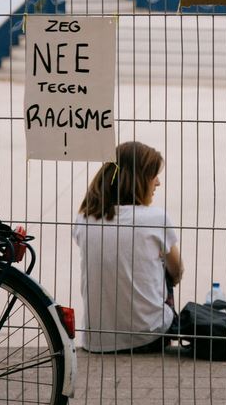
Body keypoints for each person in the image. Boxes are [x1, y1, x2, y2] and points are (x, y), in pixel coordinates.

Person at [73, 141, 184, 353]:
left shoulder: (84, 217)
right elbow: (177, 271)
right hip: (148, 336)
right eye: (154, 176)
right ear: (139, 180)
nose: (158, 183)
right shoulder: (155, 218)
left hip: (96, 341)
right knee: (165, 265)